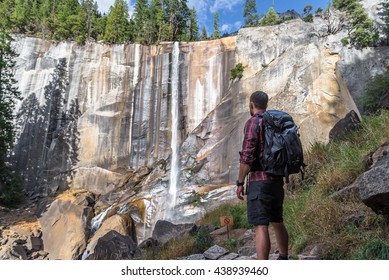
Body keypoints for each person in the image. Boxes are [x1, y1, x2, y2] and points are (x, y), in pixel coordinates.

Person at [236, 90, 289, 260]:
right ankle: (283, 257)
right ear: (266, 104)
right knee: (277, 220)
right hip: (277, 180)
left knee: (260, 225)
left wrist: (239, 182)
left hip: (259, 182)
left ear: (251, 105)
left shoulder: (254, 122)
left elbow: (247, 155)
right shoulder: (276, 121)